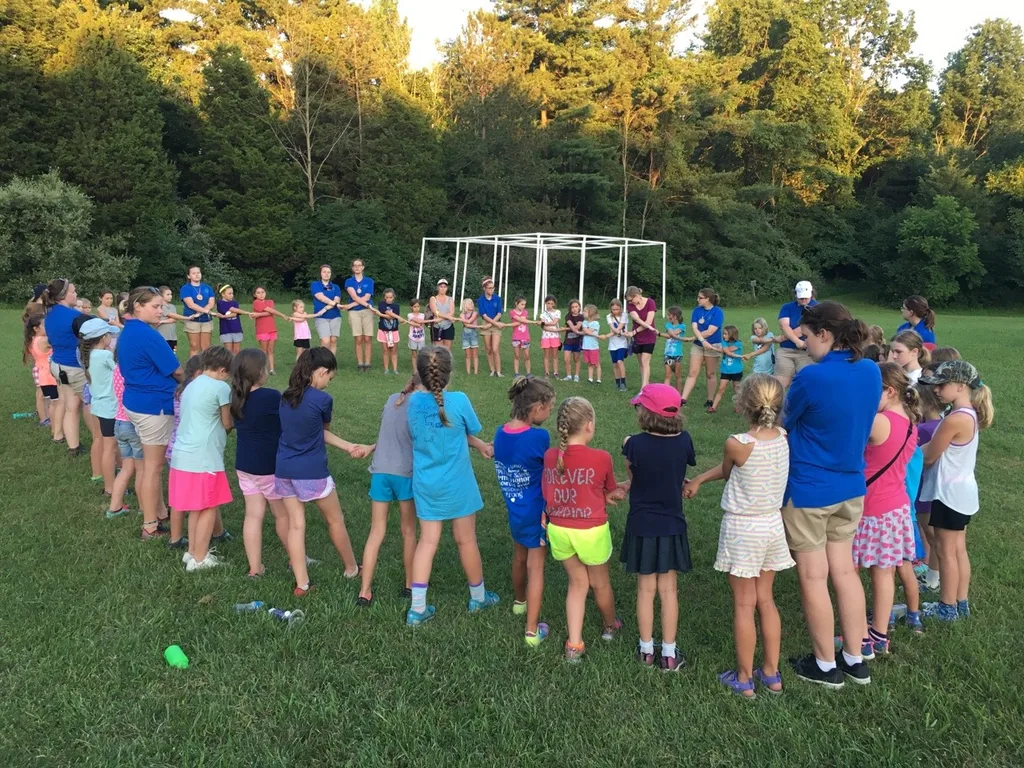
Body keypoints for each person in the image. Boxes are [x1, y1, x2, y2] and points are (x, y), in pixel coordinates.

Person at [782, 301, 880, 689]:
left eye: (806, 336)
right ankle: (854, 659)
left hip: (810, 489)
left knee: (813, 576)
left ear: (825, 334)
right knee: (844, 571)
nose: (804, 345)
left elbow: (786, 420)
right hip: (852, 487)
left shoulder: (812, 377)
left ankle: (824, 666)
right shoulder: (872, 371)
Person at [684, 373, 793, 698]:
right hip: (772, 525)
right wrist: (700, 479)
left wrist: (699, 479)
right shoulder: (783, 436)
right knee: (766, 600)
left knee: (744, 605)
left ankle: (744, 678)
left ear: (744, 404)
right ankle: (771, 674)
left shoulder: (737, 443)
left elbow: (730, 469)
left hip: (744, 528)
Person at [405, 346, 498, 625]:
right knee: (466, 539)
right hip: (458, 484)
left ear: (420, 374)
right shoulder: (459, 401)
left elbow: (450, 432)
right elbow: (463, 428)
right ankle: (479, 597)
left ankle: (417, 609)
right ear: (449, 373)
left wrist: (478, 444)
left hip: (426, 484)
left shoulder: (412, 403)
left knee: (427, 542)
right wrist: (481, 442)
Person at [620, 383, 696, 671]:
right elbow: (678, 470)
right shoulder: (684, 440)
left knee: (645, 589)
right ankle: (668, 653)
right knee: (669, 591)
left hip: (641, 524)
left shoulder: (633, 444)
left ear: (645, 413)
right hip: (672, 525)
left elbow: (633, 469)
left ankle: (646, 650)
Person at [543, 396, 625, 662]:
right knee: (600, 583)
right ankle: (610, 626)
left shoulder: (550, 456)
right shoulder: (601, 457)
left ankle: (574, 645)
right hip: (591, 532)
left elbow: (562, 491)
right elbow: (609, 490)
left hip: (559, 530)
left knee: (577, 583)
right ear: (589, 425)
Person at [275, 348, 363, 596]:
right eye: (329, 378)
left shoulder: (285, 397)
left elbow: (315, 432)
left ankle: (302, 584)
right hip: (311, 471)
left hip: (283, 470)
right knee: (335, 520)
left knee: (296, 525)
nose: (328, 383)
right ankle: (351, 568)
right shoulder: (323, 400)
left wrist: (347, 446)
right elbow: (323, 430)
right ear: (322, 372)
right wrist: (348, 447)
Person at [852, 362, 920, 657]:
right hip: (896, 507)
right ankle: (879, 635)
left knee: (849, 571)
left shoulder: (879, 422)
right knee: (884, 572)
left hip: (871, 508)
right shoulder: (910, 421)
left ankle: (858, 635)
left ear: (889, 391)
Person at [919, 361, 994, 622]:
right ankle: (961, 602)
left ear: (961, 386)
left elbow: (929, 455)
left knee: (946, 551)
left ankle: (947, 607)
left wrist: (904, 450)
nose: (936, 390)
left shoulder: (954, 419)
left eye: (942, 385)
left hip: (947, 494)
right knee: (958, 550)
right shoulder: (968, 413)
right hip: (961, 492)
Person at [118, 287, 185, 541]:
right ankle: (149, 525)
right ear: (137, 306)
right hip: (152, 406)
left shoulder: (130, 331)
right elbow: (176, 370)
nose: (161, 310)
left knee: (148, 464)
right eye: (155, 306)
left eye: (162, 306)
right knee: (153, 467)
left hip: (136, 401)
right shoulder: (148, 335)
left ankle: (159, 511)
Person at [495, 376, 556, 646]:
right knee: (536, 566)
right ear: (537, 407)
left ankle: (519, 602)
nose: (550, 413)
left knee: (519, 558)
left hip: (515, 509)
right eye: (549, 408)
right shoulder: (539, 437)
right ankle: (532, 631)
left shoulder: (500, 433)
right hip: (537, 513)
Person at [354, 375, 421, 607]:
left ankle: (365, 591)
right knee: (408, 531)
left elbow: (387, 436)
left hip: (380, 471)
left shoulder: (394, 398)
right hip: (405, 473)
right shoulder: (421, 405)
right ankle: (410, 585)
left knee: (376, 531)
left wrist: (371, 447)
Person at [169, 346, 234, 571]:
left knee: (196, 507)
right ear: (223, 370)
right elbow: (227, 423)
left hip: (182, 454)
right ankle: (200, 558)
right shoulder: (221, 387)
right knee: (208, 506)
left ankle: (192, 552)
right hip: (204, 456)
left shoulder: (190, 385)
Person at [229, 349, 289, 578]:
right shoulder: (271, 396)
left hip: (244, 465)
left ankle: (255, 568)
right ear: (260, 372)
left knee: (253, 515)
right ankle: (297, 560)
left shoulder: (235, 397)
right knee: (282, 515)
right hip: (268, 466)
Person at [42, 279, 88, 456]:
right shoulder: (74, 317)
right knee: (89, 405)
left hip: (57, 364)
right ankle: (101, 441)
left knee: (71, 405)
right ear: (63, 295)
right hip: (75, 367)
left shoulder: (50, 314)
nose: (76, 294)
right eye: (74, 291)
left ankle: (73, 447)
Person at [166, 356, 206, 550]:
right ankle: (208, 534)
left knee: (177, 497)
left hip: (174, 449)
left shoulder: (179, 391)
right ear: (199, 373)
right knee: (201, 497)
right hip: (191, 451)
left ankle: (175, 537)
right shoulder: (195, 393)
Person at [78, 317, 121, 497]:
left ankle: (113, 480)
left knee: (107, 444)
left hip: (99, 404)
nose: (111, 337)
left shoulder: (90, 355)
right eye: (110, 334)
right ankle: (110, 487)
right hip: (109, 406)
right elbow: (120, 371)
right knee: (109, 446)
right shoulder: (104, 355)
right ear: (103, 337)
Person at [680, 287, 723, 407]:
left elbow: (710, 331)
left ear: (708, 299)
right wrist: (701, 340)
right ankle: (683, 399)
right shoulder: (697, 311)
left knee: (710, 373)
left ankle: (710, 400)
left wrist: (698, 338)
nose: (697, 299)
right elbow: (694, 328)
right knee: (692, 372)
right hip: (699, 345)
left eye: (700, 297)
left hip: (713, 345)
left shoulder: (717, 312)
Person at [775, 280, 817, 388]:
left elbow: (805, 327)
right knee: (780, 383)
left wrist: (783, 338)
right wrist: (797, 341)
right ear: (795, 295)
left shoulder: (818, 308)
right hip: (786, 350)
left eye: (806, 298)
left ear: (812, 294)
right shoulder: (787, 307)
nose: (803, 300)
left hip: (806, 351)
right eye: (800, 297)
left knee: (805, 383)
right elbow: (784, 325)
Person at [24, 314, 59, 440]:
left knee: (52, 403)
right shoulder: (43, 340)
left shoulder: (34, 339)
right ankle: (56, 430)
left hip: (44, 375)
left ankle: (54, 428)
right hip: (50, 376)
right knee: (56, 404)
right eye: (45, 325)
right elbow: (59, 340)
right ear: (36, 328)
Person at [345, 259, 376, 371]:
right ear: (352, 268)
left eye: (359, 265)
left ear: (363, 267)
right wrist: (362, 305)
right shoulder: (349, 281)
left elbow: (367, 297)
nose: (357, 267)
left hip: (367, 311)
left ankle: (367, 363)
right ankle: (360, 363)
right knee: (358, 338)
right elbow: (354, 296)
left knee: (367, 338)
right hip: (355, 312)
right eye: (355, 266)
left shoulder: (369, 281)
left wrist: (350, 305)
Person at [626, 286, 658, 390]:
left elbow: (648, 321)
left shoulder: (650, 302)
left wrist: (634, 331)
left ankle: (643, 388)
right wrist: (647, 328)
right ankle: (646, 384)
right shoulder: (630, 306)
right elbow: (637, 319)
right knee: (641, 362)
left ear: (637, 296)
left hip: (649, 336)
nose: (630, 303)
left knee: (645, 361)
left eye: (631, 300)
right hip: (638, 338)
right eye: (628, 301)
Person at [180, 266, 216, 357]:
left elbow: (211, 303)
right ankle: (194, 369)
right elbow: (191, 305)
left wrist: (201, 313)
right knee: (194, 346)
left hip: (206, 320)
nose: (196, 275)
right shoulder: (185, 288)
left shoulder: (207, 288)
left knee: (206, 347)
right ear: (189, 276)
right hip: (192, 320)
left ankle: (206, 368)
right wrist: (206, 311)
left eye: (198, 273)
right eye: (193, 273)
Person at [709, 325, 743, 414]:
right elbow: (726, 351)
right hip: (725, 370)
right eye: (723, 334)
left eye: (726, 334)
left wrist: (713, 348)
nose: (723, 336)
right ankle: (713, 407)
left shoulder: (738, 344)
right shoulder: (723, 342)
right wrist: (714, 348)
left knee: (737, 390)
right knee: (721, 389)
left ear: (732, 334)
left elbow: (727, 351)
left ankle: (738, 408)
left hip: (736, 371)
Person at [311, 264, 344, 355]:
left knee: (333, 340)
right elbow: (321, 297)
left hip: (335, 316)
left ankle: (331, 362)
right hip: (321, 317)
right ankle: (323, 361)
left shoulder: (336, 287)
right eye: (324, 272)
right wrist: (335, 304)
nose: (326, 274)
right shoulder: (315, 285)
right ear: (320, 273)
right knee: (325, 341)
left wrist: (326, 308)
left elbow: (337, 299)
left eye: (328, 272)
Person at [251, 287, 282, 375]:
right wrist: (278, 314)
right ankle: (263, 369)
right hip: (262, 330)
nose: (261, 294)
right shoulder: (256, 302)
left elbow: (272, 311)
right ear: (255, 295)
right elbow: (270, 312)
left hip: (272, 329)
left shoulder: (270, 302)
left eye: (262, 292)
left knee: (271, 350)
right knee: (263, 350)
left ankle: (272, 369)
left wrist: (258, 314)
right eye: (258, 293)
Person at [477, 277, 504, 377]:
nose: (491, 290)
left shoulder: (497, 298)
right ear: (484, 288)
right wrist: (493, 324)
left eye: (493, 288)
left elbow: (499, 313)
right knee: (488, 349)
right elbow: (483, 315)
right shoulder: (480, 300)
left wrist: (493, 324)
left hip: (495, 323)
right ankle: (492, 370)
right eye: (489, 288)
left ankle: (499, 371)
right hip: (487, 323)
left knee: (495, 349)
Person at [157, 286, 195, 351]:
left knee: (173, 354)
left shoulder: (173, 306)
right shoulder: (161, 306)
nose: (170, 296)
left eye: (171, 294)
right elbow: (172, 315)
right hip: (163, 336)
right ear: (161, 296)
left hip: (173, 337)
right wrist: (187, 318)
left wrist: (162, 321)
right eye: (168, 295)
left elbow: (174, 318)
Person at [375, 288, 403, 375]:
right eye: (387, 297)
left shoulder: (396, 306)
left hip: (394, 331)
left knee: (394, 350)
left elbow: (392, 316)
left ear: (393, 297)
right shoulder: (381, 304)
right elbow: (389, 313)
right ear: (384, 297)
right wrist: (398, 317)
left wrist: (380, 315)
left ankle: (395, 369)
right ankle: (386, 369)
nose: (389, 299)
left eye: (391, 297)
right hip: (383, 331)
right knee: (385, 350)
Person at [660, 306, 688, 391]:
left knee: (677, 376)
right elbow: (670, 334)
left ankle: (678, 396)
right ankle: (666, 395)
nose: (668, 317)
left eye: (669, 315)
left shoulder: (682, 326)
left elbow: (672, 334)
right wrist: (680, 338)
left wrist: (659, 334)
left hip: (678, 355)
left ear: (675, 316)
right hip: (668, 354)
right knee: (667, 375)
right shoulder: (668, 324)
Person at [508, 296, 537, 376]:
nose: (523, 306)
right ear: (516, 303)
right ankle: (516, 373)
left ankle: (528, 372)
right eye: (522, 304)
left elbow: (522, 320)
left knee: (527, 355)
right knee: (516, 355)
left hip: (525, 337)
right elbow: (521, 320)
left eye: (524, 305)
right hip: (516, 337)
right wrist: (533, 322)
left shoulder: (525, 312)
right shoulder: (512, 312)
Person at [214, 284, 246, 356]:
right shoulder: (220, 303)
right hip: (226, 330)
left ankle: (236, 366)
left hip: (236, 329)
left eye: (232, 293)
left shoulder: (235, 303)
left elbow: (235, 313)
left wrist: (223, 316)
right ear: (223, 294)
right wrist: (224, 316)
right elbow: (232, 310)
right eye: (229, 293)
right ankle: (229, 366)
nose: (232, 295)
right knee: (228, 351)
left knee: (236, 351)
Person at [607, 299, 631, 392]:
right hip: (612, 343)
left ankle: (623, 382)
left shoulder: (624, 315)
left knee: (620, 361)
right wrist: (620, 333)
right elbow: (612, 328)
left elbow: (620, 326)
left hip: (622, 343)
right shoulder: (609, 316)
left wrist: (619, 333)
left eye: (617, 309)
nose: (615, 311)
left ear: (620, 308)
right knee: (614, 364)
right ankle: (617, 382)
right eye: (613, 309)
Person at [539, 295, 563, 378]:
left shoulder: (557, 312)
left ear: (554, 304)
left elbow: (554, 323)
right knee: (546, 355)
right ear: (545, 303)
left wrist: (544, 323)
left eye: (551, 303)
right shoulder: (543, 314)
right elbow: (543, 326)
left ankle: (556, 372)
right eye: (548, 303)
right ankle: (546, 372)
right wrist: (554, 329)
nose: (549, 305)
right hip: (546, 336)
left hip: (555, 336)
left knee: (555, 355)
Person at [429, 278, 456, 351]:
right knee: (438, 351)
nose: (443, 288)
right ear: (438, 287)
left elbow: (452, 312)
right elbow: (435, 312)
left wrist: (441, 318)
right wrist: (448, 317)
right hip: (437, 327)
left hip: (448, 326)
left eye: (444, 287)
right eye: (441, 286)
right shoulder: (433, 298)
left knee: (447, 350)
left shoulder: (450, 299)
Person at [561, 299, 584, 383]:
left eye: (576, 307)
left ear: (579, 307)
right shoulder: (568, 316)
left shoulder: (581, 316)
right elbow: (572, 325)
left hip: (578, 341)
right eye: (572, 307)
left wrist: (565, 328)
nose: (574, 309)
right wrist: (572, 328)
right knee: (566, 359)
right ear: (570, 308)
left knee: (576, 358)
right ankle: (568, 375)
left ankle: (576, 375)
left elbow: (577, 327)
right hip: (568, 341)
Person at [406, 298, 431, 369]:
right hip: (412, 337)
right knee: (414, 354)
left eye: (418, 306)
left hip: (421, 337)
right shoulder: (410, 315)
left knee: (421, 354)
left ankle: (421, 368)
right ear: (411, 307)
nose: (416, 308)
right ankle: (415, 370)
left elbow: (425, 322)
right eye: (414, 307)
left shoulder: (422, 315)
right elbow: (418, 321)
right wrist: (421, 322)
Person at [580, 304, 602, 384]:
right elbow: (586, 331)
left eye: (585, 311)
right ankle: (590, 378)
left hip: (593, 347)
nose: (583, 312)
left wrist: (586, 332)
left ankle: (598, 379)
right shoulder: (585, 322)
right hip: (586, 347)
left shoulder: (595, 323)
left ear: (591, 313)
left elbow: (586, 331)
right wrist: (588, 332)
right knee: (589, 363)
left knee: (596, 363)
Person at [459, 298, 481, 375]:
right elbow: (466, 324)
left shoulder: (475, 313)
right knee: (468, 355)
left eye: (472, 303)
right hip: (465, 335)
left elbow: (468, 322)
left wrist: (467, 324)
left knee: (475, 355)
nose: (471, 305)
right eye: (469, 303)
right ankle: (468, 372)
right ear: (465, 305)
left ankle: (475, 372)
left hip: (473, 334)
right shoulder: (462, 315)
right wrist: (467, 324)